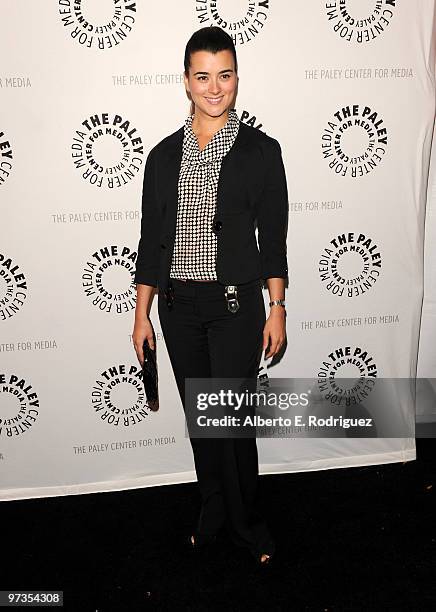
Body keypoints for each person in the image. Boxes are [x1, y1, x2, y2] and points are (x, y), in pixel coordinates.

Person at [132, 26, 289, 566]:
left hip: (234, 309)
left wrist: (277, 307)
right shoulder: (161, 157)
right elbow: (151, 242)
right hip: (178, 311)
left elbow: (274, 239)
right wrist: (141, 316)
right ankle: (213, 513)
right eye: (203, 76)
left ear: (237, 79)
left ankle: (249, 526)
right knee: (203, 424)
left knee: (233, 426)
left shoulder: (262, 152)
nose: (214, 87)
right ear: (186, 82)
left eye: (224, 75)